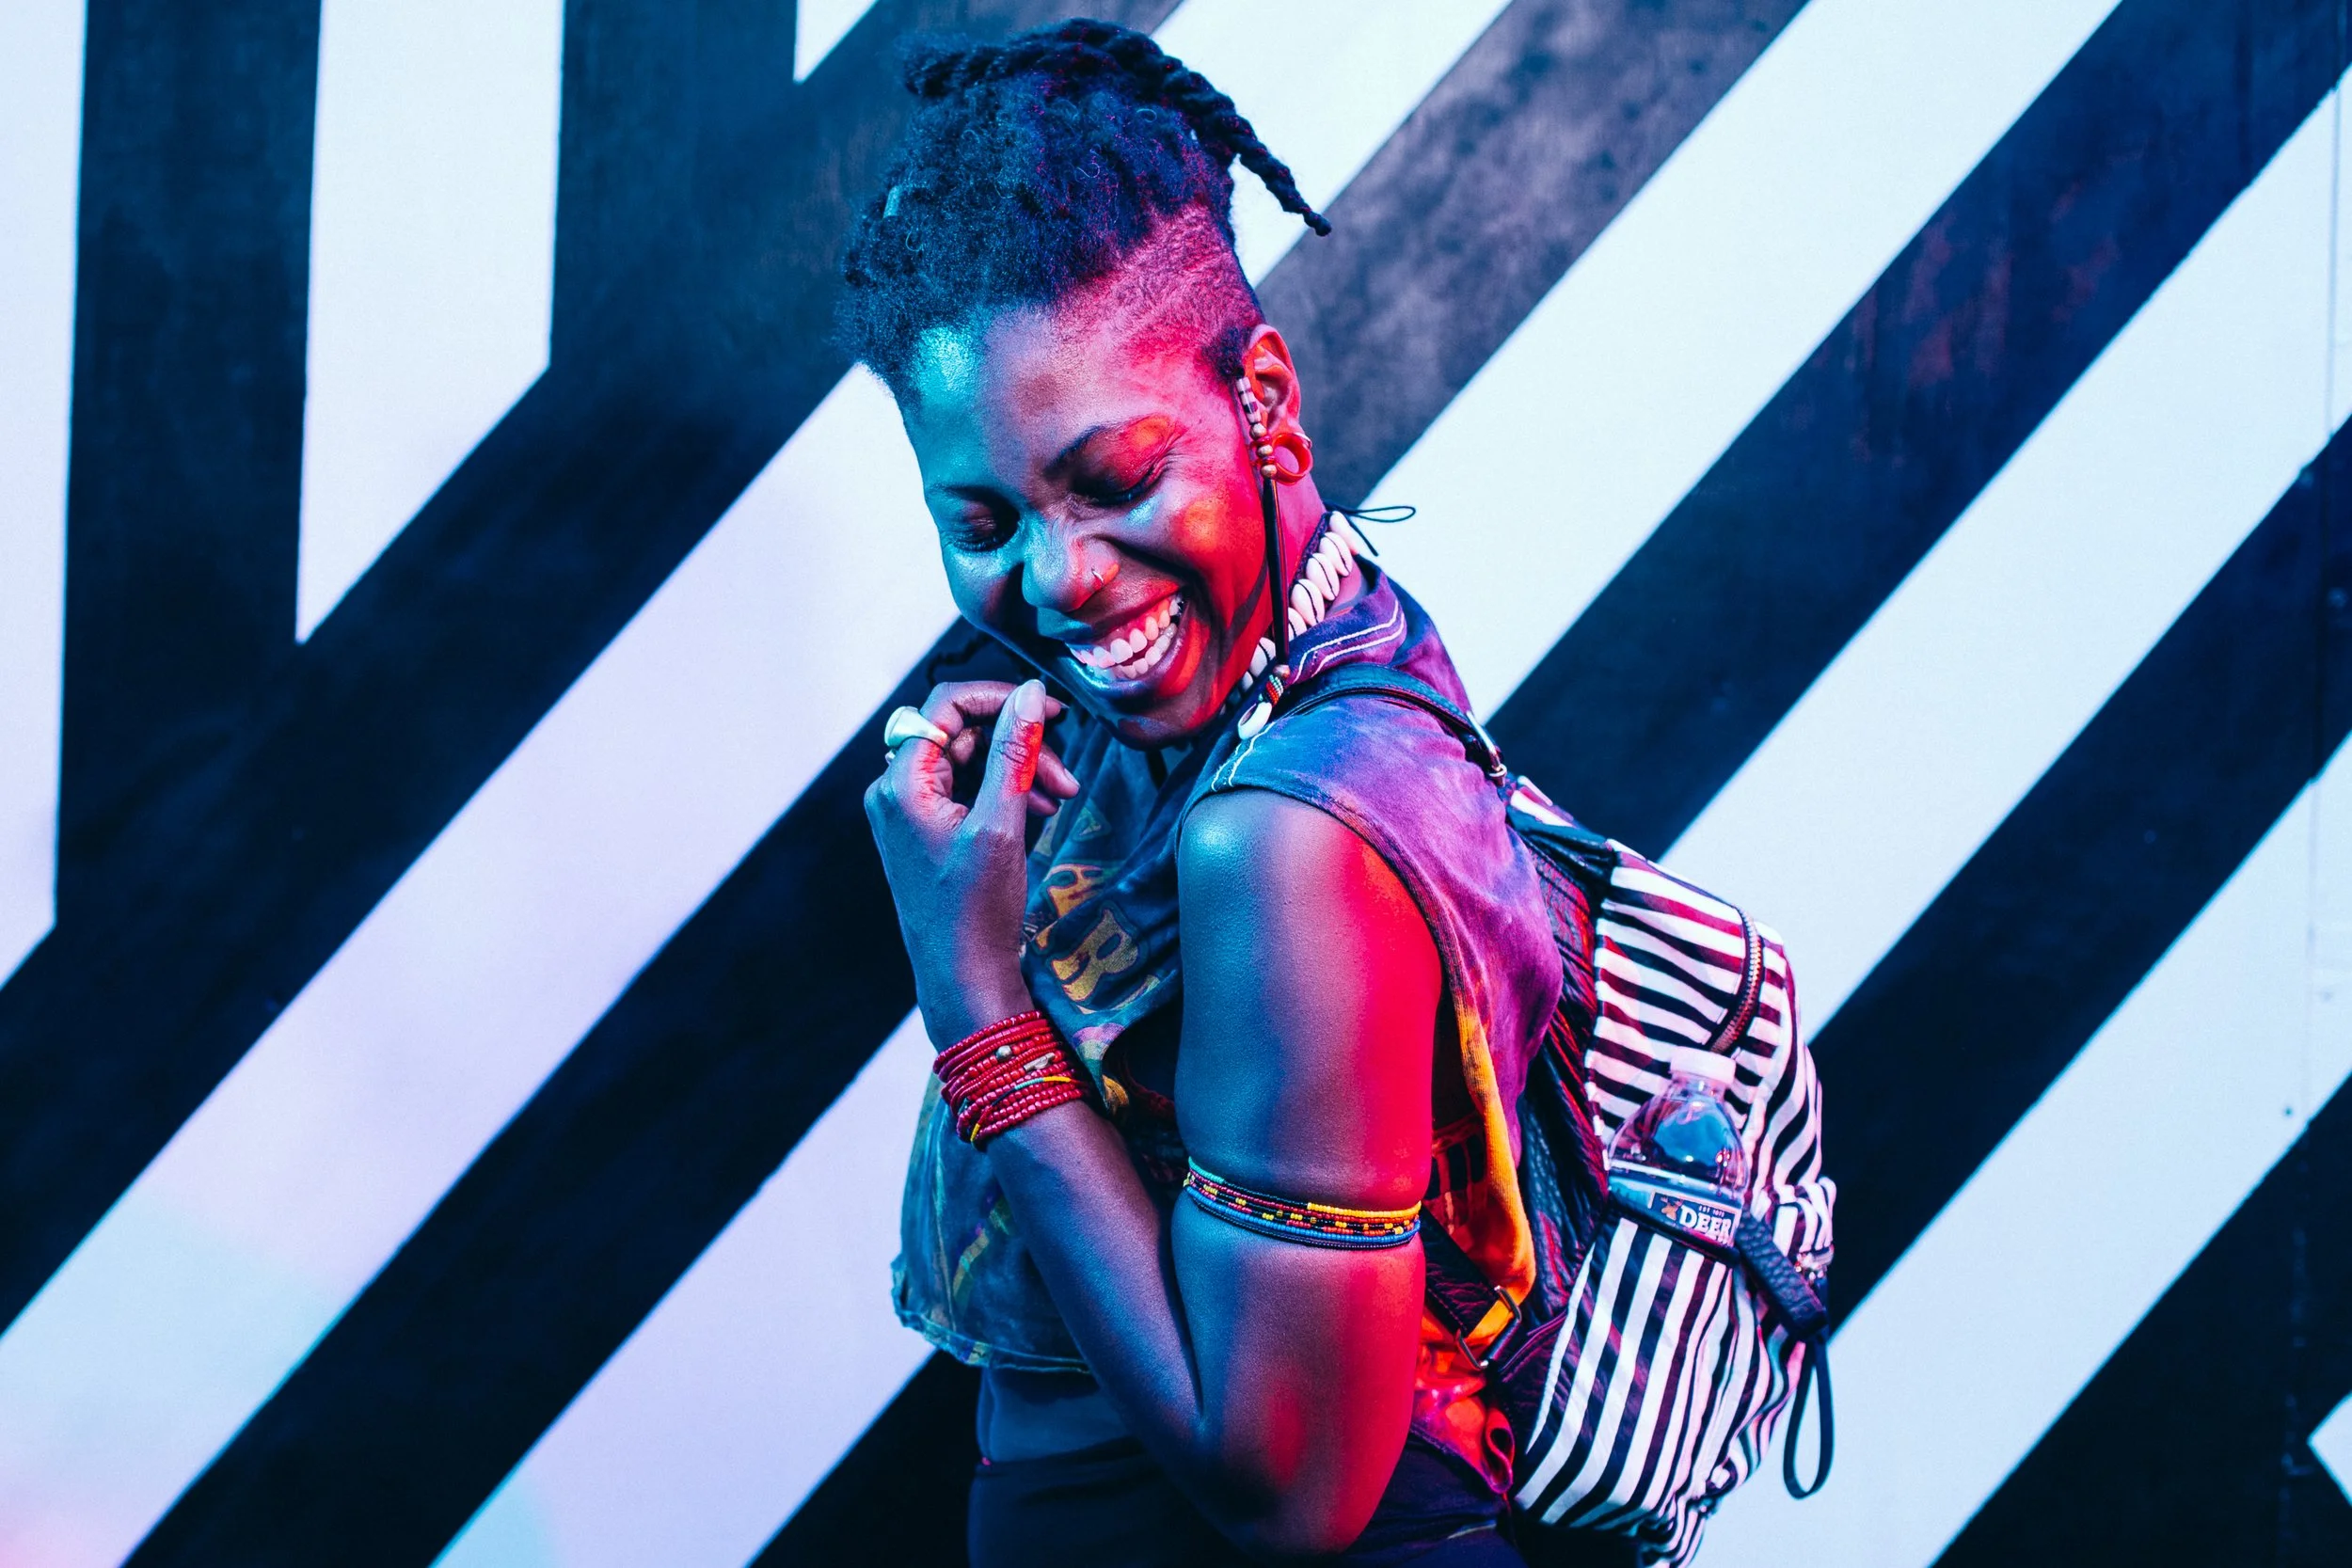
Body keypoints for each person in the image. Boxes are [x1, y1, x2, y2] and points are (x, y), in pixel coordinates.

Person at [849, 21, 1573, 1565]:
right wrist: (1091, 794)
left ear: (1263, 394)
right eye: (981, 518)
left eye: (1114, 481)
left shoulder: (1285, 833)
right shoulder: (1302, 676)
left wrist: (972, 991)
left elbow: (1282, 1485)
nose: (1056, 575)